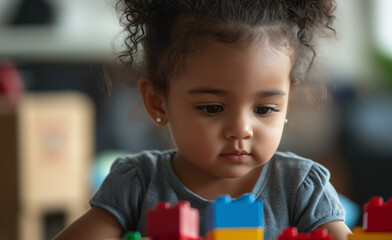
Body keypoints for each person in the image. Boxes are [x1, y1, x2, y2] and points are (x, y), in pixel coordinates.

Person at [54, 0, 352, 239]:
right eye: (212, 108)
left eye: (264, 109)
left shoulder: (300, 187)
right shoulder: (137, 184)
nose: (241, 129)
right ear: (157, 101)